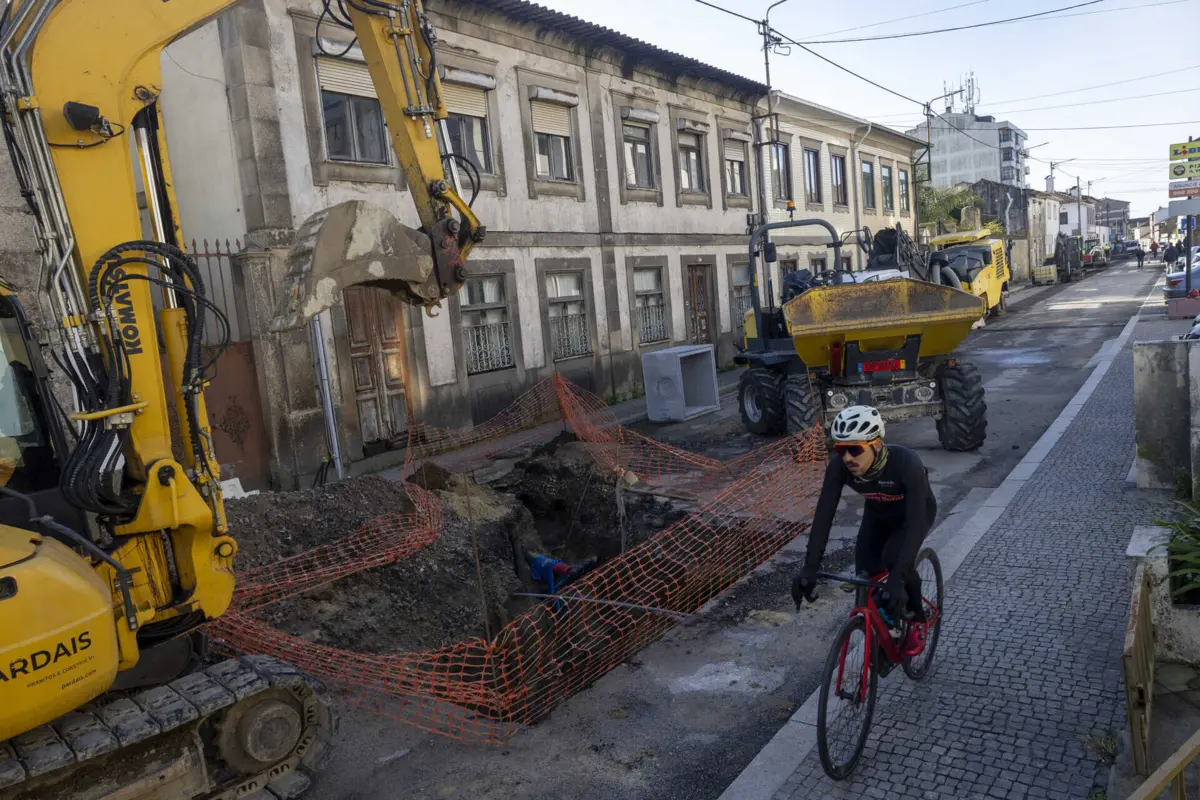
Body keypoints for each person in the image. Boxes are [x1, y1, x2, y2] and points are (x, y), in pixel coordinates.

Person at [791, 406, 937, 657]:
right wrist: (810, 567)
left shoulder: (906, 464)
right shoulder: (839, 468)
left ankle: (917, 619)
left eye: (855, 449)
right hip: (878, 514)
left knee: (894, 559)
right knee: (866, 573)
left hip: (914, 515)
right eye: (841, 450)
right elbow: (824, 516)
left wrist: (896, 578)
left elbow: (914, 526)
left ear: (877, 444)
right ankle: (883, 627)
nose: (847, 457)